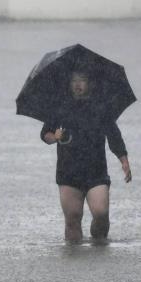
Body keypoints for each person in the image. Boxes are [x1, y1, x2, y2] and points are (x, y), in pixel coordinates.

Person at [41, 70, 132, 242]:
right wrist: (56, 137)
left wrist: (124, 161)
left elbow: (114, 136)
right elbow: (45, 135)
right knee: (72, 218)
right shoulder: (60, 107)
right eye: (74, 80)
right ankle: (74, 263)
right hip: (68, 172)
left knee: (101, 213)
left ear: (90, 84)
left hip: (96, 172)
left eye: (82, 80)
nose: (77, 84)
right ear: (69, 84)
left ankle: (99, 245)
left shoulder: (101, 107)